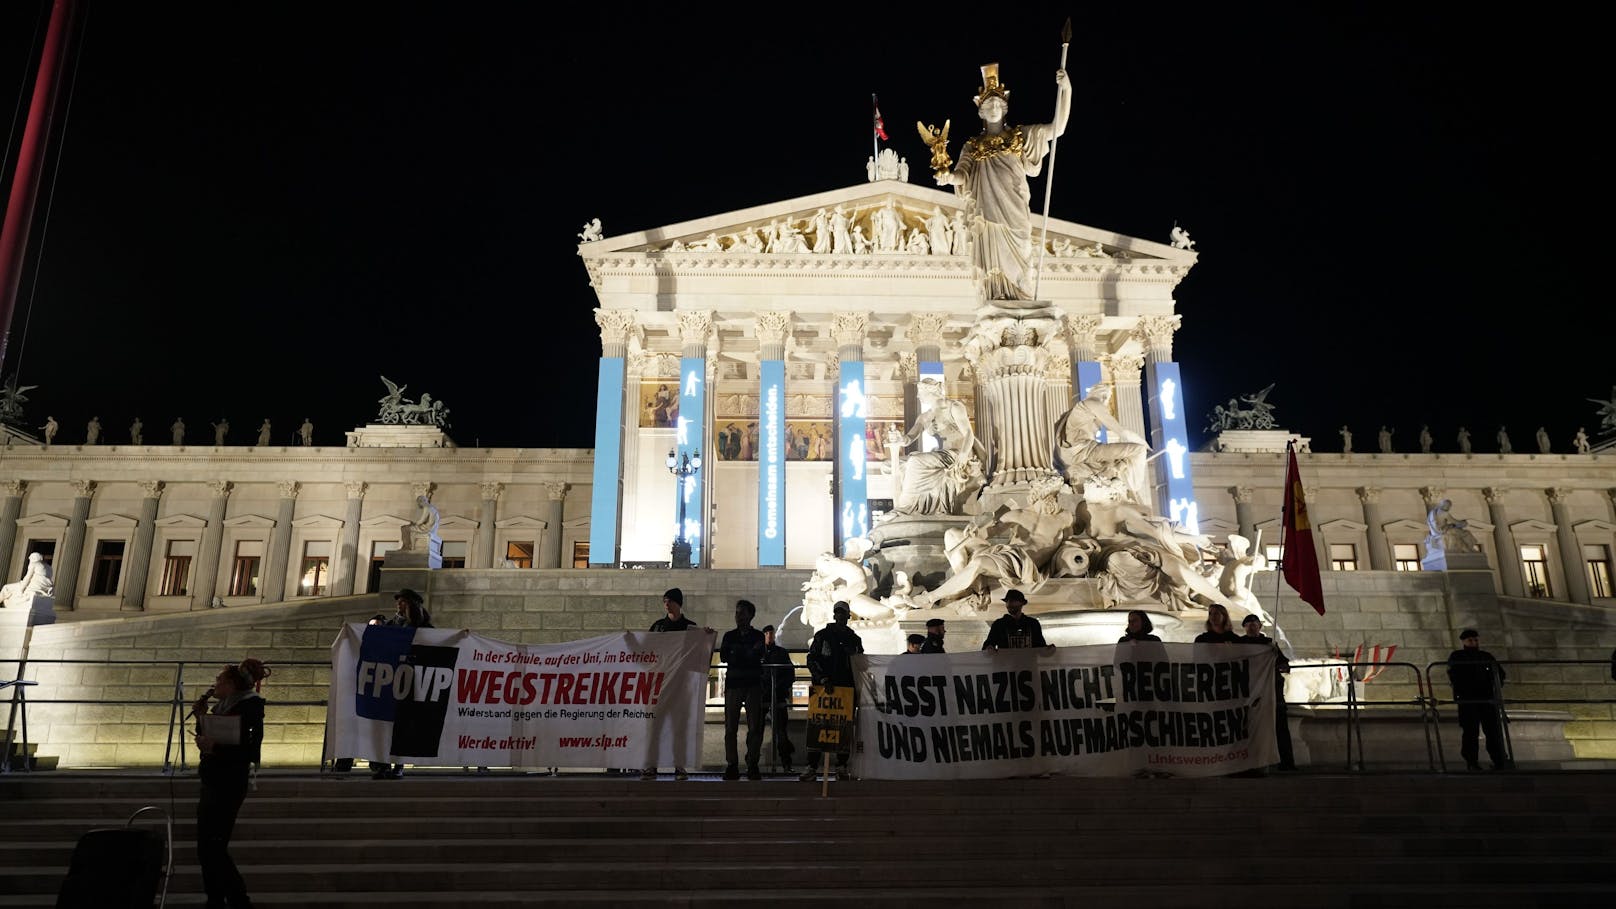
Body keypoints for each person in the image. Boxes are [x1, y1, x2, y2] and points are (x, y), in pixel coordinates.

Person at [934, 62, 1071, 301]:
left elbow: (1057, 129)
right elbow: (962, 174)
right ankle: (998, 299)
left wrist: (1066, 90)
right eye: (989, 104)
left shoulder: (1021, 136)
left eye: (998, 103)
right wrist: (948, 177)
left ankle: (1021, 299)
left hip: (1014, 210)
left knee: (1021, 260)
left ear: (1005, 108)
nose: (994, 107)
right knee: (994, 270)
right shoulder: (972, 146)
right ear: (981, 111)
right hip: (988, 215)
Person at [192, 658, 268, 909]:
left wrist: (216, 748)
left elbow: (249, 749)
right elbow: (210, 736)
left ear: (233, 684)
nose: (215, 684)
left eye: (219, 680)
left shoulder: (250, 707)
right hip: (212, 777)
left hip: (229, 781)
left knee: (213, 845)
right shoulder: (222, 707)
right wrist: (201, 718)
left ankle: (238, 898)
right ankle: (215, 898)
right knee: (206, 846)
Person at [800, 601, 863, 781]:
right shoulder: (822, 636)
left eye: (843, 613)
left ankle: (841, 766)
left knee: (844, 728)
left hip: (846, 691)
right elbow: (812, 659)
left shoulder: (854, 639)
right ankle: (811, 766)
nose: (840, 616)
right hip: (823, 691)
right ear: (834, 615)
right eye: (838, 613)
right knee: (818, 726)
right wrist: (822, 678)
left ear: (849, 616)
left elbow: (860, 663)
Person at [645, 588, 704, 780]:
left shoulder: (691, 628)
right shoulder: (657, 627)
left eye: (669, 600)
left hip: (681, 687)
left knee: (679, 729)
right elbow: (646, 651)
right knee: (654, 728)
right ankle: (651, 766)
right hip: (660, 686)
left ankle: (679, 767)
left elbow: (700, 654)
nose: (666, 604)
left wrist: (706, 636)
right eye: (664, 601)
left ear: (678, 603)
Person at [372, 590, 431, 779]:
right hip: (390, 680)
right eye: (398, 602)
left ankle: (398, 764)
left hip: (410, 681)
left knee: (402, 726)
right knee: (384, 724)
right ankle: (383, 764)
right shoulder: (391, 624)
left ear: (413, 605)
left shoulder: (424, 627)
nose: (399, 605)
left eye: (403, 602)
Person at [1446, 628, 1511, 771]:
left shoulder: (1485, 656)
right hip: (1469, 700)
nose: (1474, 642)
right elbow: (1455, 676)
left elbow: (1499, 674)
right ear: (1463, 641)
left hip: (1486, 698)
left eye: (1475, 640)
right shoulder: (1457, 656)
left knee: (1493, 732)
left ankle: (1500, 761)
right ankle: (1472, 762)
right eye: (1470, 640)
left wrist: (1495, 688)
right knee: (1471, 733)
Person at [717, 599, 767, 780]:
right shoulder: (730, 636)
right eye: (737, 613)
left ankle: (752, 763)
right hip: (736, 684)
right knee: (731, 726)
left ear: (750, 616)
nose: (738, 616)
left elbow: (757, 654)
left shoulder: (757, 636)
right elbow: (724, 656)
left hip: (751, 684)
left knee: (754, 726)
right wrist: (746, 652)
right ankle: (732, 764)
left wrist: (736, 652)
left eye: (742, 613)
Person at [1240, 614, 1296, 771]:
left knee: (1280, 726)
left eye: (1254, 623)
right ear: (1244, 627)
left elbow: (1283, 663)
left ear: (1259, 626)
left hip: (1272, 690)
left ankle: (1287, 762)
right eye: (1249, 623)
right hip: (1250, 691)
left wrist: (1280, 662)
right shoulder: (1240, 643)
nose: (1252, 626)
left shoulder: (1269, 644)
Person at [761, 624, 797, 773]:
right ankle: (753, 763)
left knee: (781, 731)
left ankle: (786, 763)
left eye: (771, 633)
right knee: (757, 730)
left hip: (777, 695)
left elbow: (790, 674)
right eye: (766, 633)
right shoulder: (759, 653)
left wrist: (779, 687)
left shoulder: (781, 653)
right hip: (763, 695)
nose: (769, 636)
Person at [982, 589, 1047, 650]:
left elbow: (1041, 649)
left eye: (1013, 601)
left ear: (1021, 603)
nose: (1009, 603)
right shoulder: (999, 624)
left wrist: (1049, 650)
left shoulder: (1033, 623)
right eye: (1007, 601)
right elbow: (987, 646)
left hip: (1027, 662)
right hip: (1006, 662)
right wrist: (989, 648)